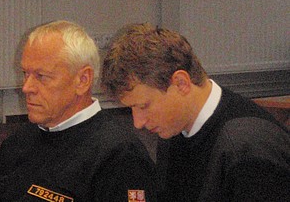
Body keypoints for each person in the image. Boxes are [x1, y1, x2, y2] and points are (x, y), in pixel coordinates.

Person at [101, 23, 290, 202]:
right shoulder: (174, 128)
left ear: (181, 83)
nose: (138, 123)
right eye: (131, 108)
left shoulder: (247, 148)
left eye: (143, 106)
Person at [0, 20, 156, 202]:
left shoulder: (120, 157)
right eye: (25, 74)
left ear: (83, 80)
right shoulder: (17, 143)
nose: (26, 88)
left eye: (41, 76)